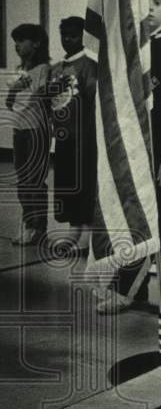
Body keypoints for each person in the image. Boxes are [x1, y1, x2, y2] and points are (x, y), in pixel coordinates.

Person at [97, 0, 161, 324]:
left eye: (157, 2)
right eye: (145, 2)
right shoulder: (127, 54)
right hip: (133, 156)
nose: (150, 9)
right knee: (133, 222)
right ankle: (128, 288)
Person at [50, 17, 97, 252]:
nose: (67, 40)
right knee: (66, 183)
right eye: (64, 35)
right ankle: (73, 227)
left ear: (83, 37)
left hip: (84, 137)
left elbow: (92, 99)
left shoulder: (89, 65)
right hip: (62, 137)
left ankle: (87, 231)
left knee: (83, 184)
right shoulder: (57, 68)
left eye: (73, 35)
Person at [6, 24, 52, 245]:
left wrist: (30, 85)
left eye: (22, 40)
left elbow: (45, 98)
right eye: (15, 41)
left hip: (37, 130)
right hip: (19, 130)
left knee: (34, 180)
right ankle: (29, 224)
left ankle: (37, 227)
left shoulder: (43, 69)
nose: (17, 45)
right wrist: (14, 89)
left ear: (36, 44)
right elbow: (10, 104)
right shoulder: (18, 70)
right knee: (23, 180)